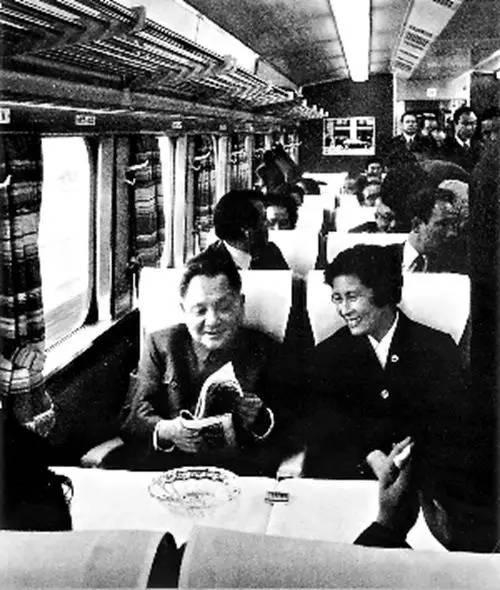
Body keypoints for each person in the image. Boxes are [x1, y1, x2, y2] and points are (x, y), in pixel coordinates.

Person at [117, 250, 295, 475]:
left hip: (240, 475)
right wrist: (165, 430)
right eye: (200, 310)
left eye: (224, 308)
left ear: (241, 305)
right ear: (184, 310)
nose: (212, 321)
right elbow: (132, 416)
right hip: (172, 473)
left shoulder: (265, 350)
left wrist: (260, 420)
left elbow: (292, 423)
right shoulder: (161, 345)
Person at [302, 245, 465, 479]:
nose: (344, 310)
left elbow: (453, 428)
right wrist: (371, 456)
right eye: (337, 299)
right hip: (353, 480)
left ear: (384, 292)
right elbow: (322, 429)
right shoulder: (327, 355)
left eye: (352, 297)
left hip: (421, 480)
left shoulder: (437, 349)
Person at [204, 189, 289, 270]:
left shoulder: (271, 252)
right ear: (245, 228)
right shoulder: (207, 266)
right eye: (263, 219)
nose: (268, 224)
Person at [391, 187, 462, 272]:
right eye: (443, 224)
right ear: (417, 225)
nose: (452, 233)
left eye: (454, 224)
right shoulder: (384, 260)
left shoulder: (456, 269)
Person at [442, 105, 481, 172]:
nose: (469, 128)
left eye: (473, 123)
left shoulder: (480, 147)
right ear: (455, 124)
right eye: (465, 124)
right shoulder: (445, 147)